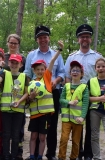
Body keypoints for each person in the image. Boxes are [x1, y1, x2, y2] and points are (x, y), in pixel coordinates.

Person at [24, 25, 65, 160]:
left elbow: (62, 73)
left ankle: (51, 153)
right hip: (35, 95)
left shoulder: (55, 54)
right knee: (36, 127)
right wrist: (31, 90)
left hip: (53, 93)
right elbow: (27, 74)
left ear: (49, 38)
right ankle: (34, 154)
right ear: (37, 40)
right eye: (40, 37)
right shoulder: (31, 55)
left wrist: (56, 81)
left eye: (45, 37)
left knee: (51, 125)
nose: (43, 39)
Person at [64, 24, 102, 160]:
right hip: (76, 96)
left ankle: (88, 154)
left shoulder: (97, 57)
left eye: (87, 36)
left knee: (92, 127)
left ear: (90, 39)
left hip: (92, 94)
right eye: (82, 37)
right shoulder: (71, 57)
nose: (84, 39)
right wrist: (71, 94)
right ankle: (78, 152)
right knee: (77, 125)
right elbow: (67, 77)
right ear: (78, 39)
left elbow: (101, 75)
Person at [0, 54, 29, 160]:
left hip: (18, 110)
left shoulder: (25, 77)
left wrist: (19, 101)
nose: (14, 65)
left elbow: (26, 93)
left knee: (15, 135)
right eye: (12, 62)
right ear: (8, 63)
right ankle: (5, 155)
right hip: (5, 110)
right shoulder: (5, 73)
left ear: (21, 64)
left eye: (16, 63)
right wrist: (0, 67)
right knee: (6, 134)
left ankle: (13, 156)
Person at [58, 61, 89, 160]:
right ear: (70, 73)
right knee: (64, 139)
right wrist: (69, 102)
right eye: (73, 70)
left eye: (77, 70)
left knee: (76, 141)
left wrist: (82, 117)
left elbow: (85, 104)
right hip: (66, 119)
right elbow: (61, 100)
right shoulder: (66, 86)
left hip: (78, 119)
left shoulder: (84, 87)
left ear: (82, 73)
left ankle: (73, 157)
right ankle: (61, 157)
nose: (75, 72)